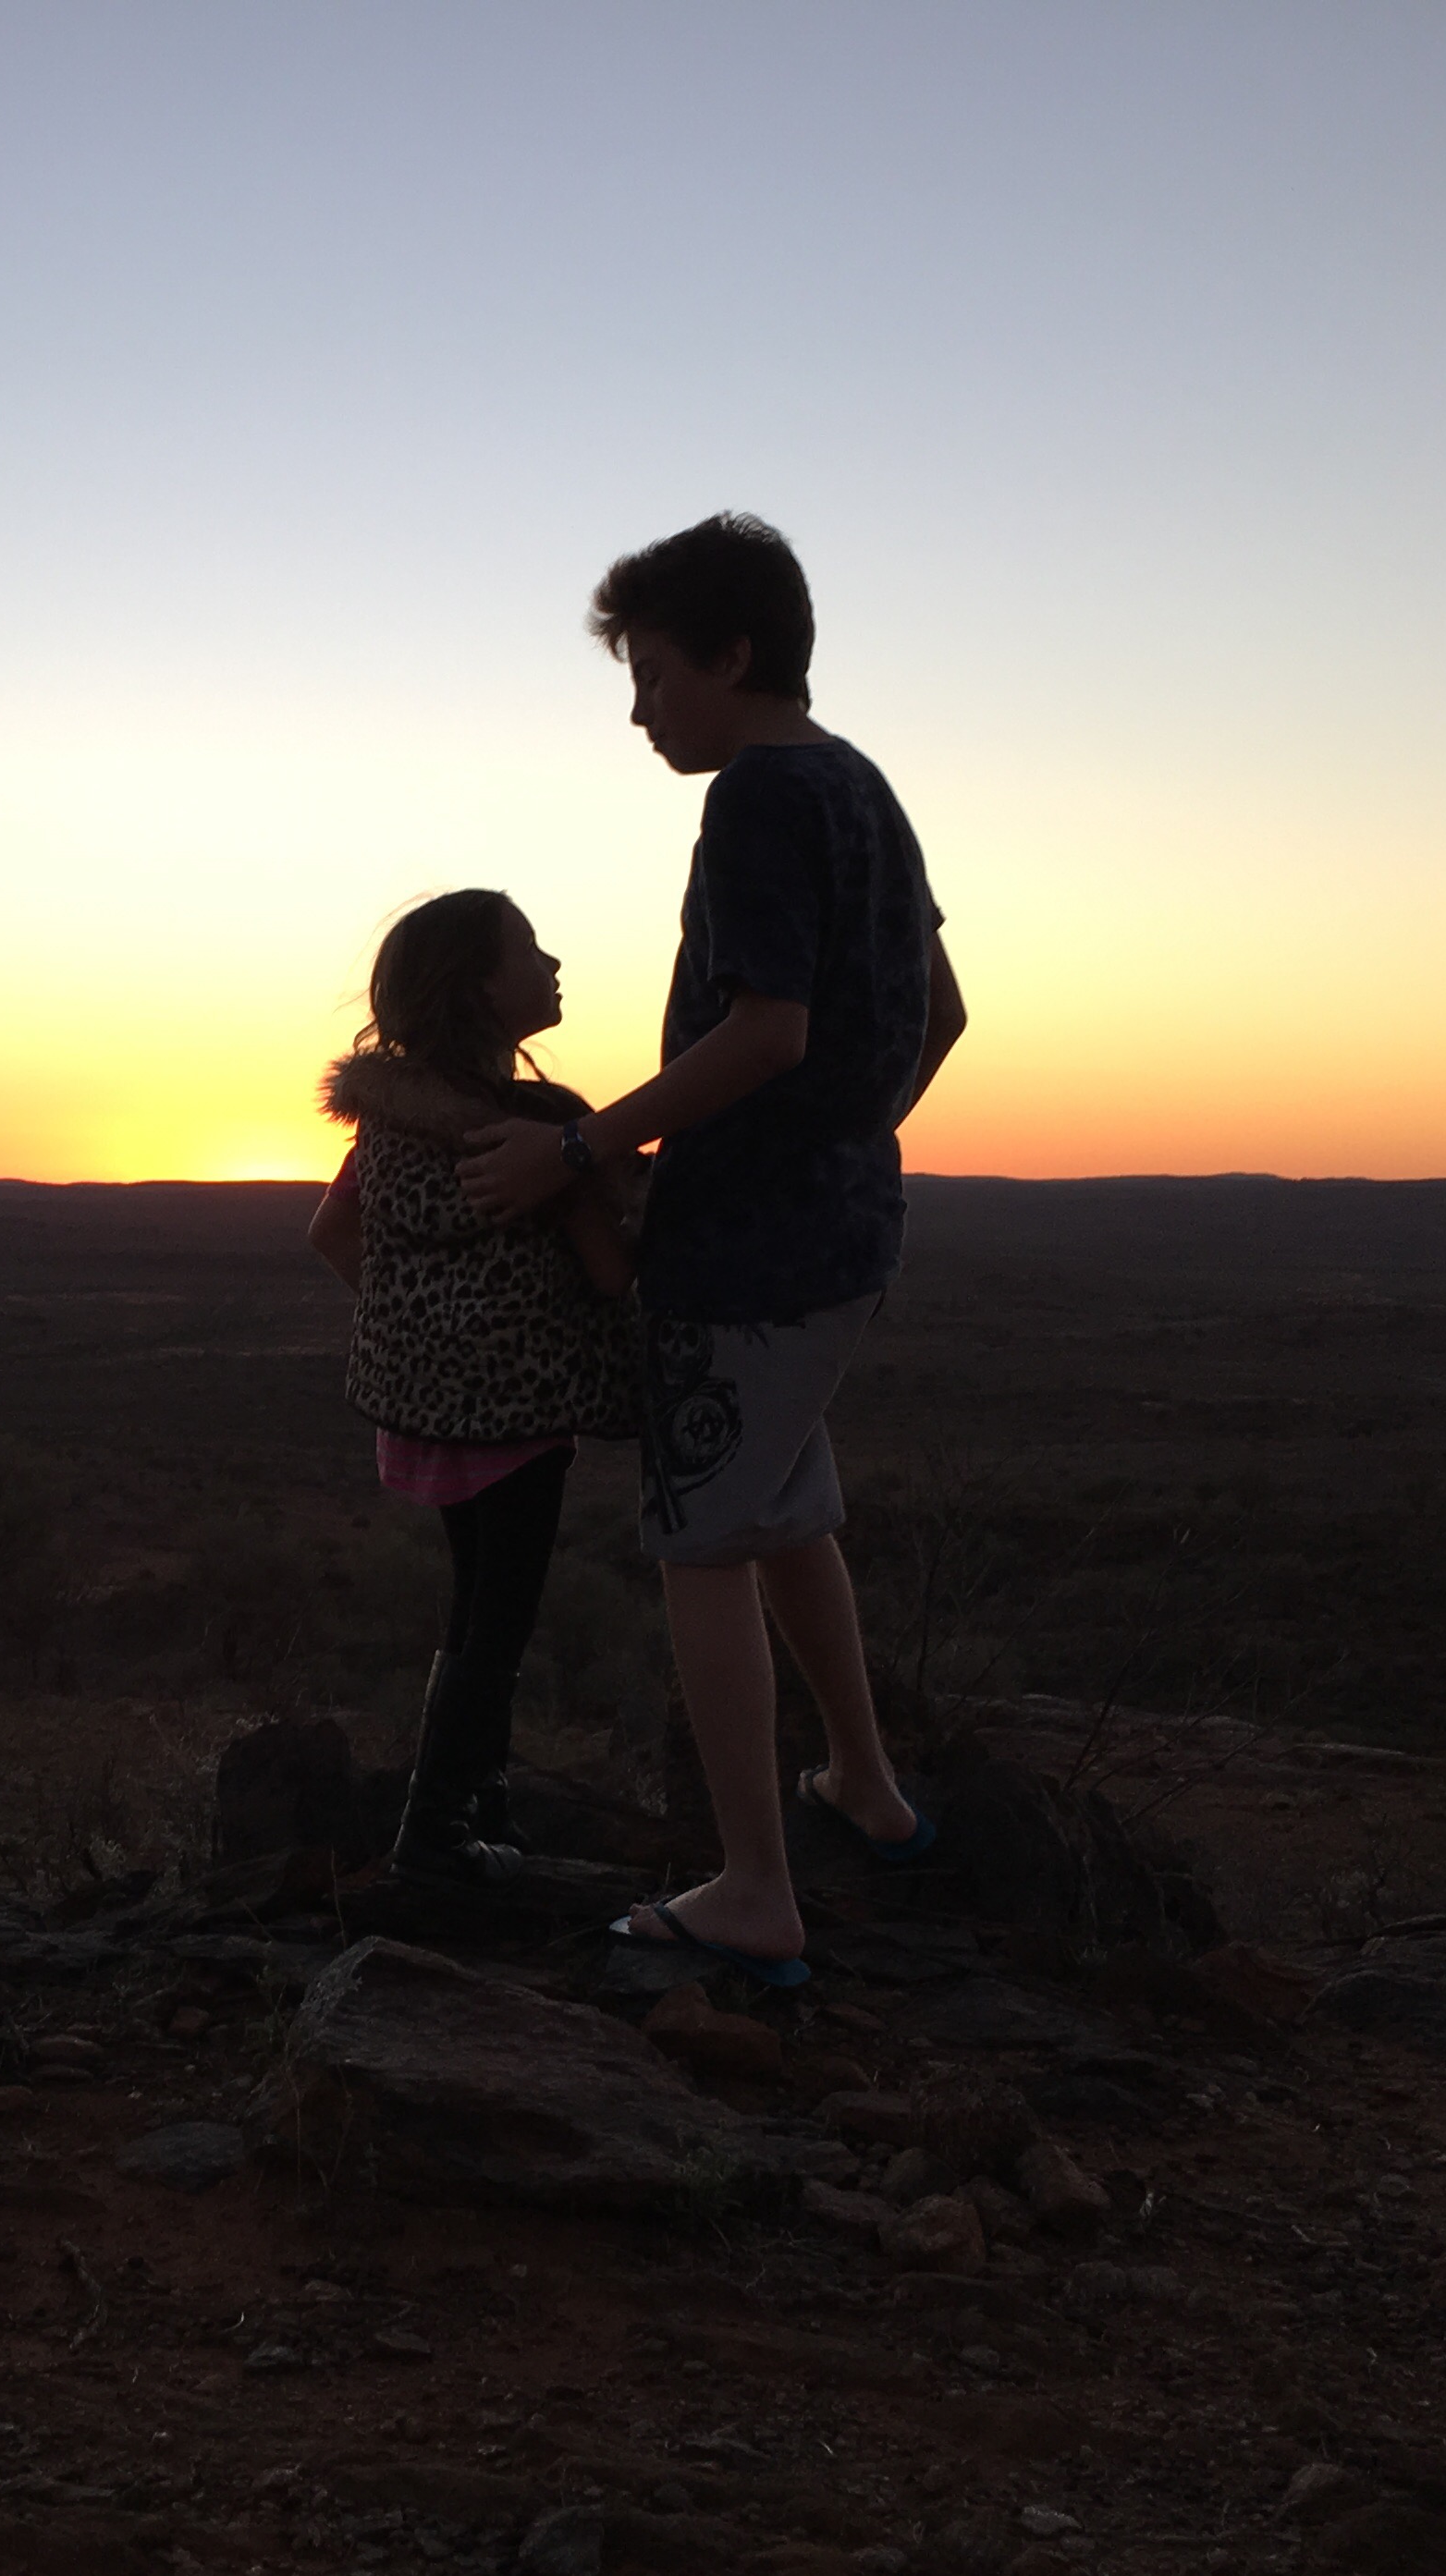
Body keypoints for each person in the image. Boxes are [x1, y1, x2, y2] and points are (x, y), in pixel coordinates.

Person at [460, 513, 966, 1985]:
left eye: (653, 675)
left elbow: (766, 1032)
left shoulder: (754, 800)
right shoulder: (863, 786)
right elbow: (939, 1013)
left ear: (732, 657)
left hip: (746, 1250)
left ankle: (755, 1892)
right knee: (786, 1509)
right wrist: (845, 1144)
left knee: (698, 1543)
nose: (640, 712)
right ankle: (864, 1786)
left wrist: (581, 1150)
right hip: (844, 1232)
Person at [310, 888, 639, 1883]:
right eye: (529, 949)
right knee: (503, 1617)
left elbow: (331, 1232)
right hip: (519, 1412)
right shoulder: (539, 1131)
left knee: (473, 1605)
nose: (554, 964)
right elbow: (611, 1275)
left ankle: (478, 1808)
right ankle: (440, 1835)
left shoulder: (393, 1122)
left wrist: (423, 1336)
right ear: (480, 988)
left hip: (430, 1411)